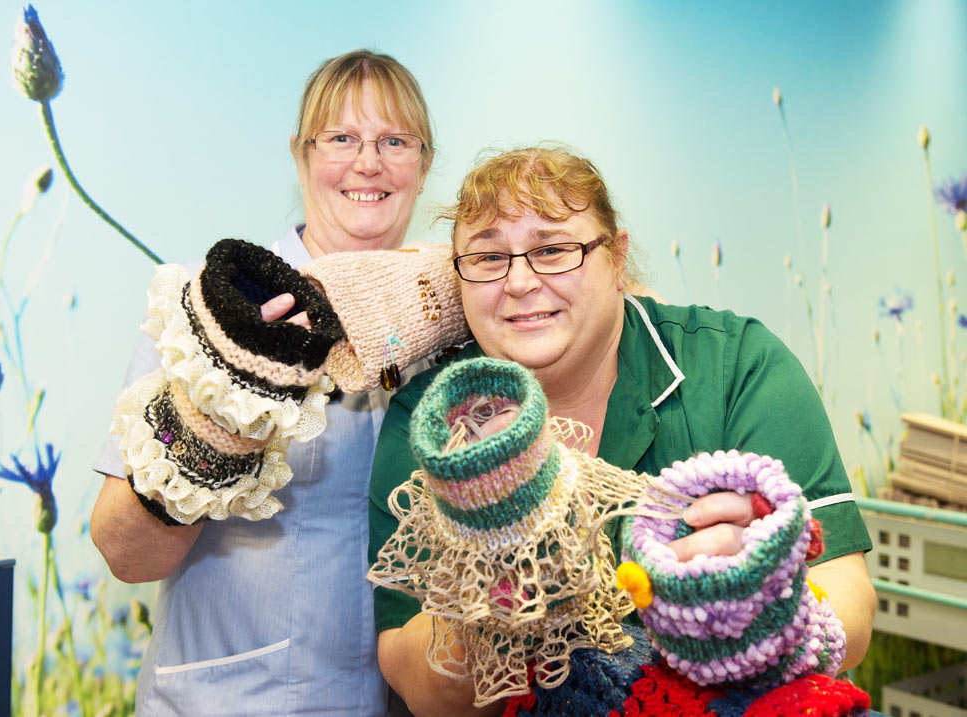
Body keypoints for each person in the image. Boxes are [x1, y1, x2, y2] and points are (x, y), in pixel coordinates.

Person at [367, 147, 876, 716]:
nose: (519, 282)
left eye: (553, 249)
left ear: (617, 259)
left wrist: (756, 609)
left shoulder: (736, 366)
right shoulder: (432, 419)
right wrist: (490, 595)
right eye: (488, 257)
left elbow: (852, 609)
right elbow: (419, 682)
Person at [91, 49, 434, 716]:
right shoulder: (211, 308)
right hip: (233, 698)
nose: (369, 162)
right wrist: (217, 420)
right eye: (342, 138)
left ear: (422, 163)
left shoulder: (443, 330)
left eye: (394, 140)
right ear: (302, 155)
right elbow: (124, 551)